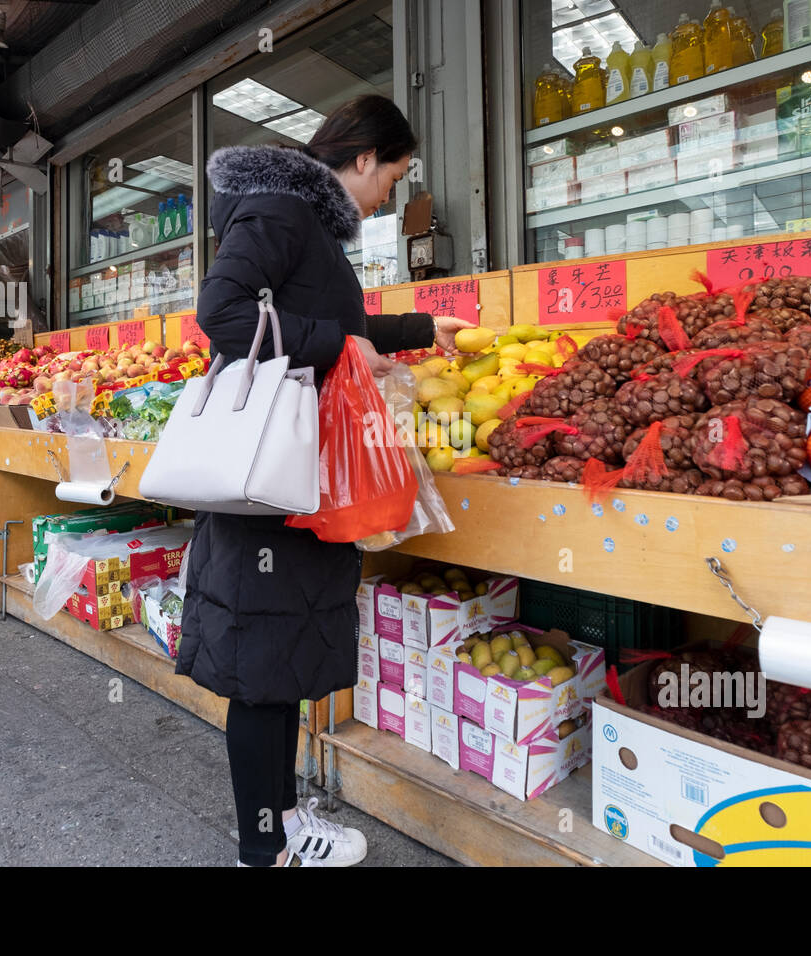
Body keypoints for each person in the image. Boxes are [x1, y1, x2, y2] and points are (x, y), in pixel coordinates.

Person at [175, 95, 473, 867]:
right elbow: (224, 313)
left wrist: (413, 332)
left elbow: (321, 324)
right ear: (365, 158)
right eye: (395, 176)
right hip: (271, 484)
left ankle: (279, 825)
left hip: (292, 479)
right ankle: (263, 845)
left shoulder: (300, 224)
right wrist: (338, 348)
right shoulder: (278, 212)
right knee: (263, 671)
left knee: (274, 665)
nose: (391, 197)